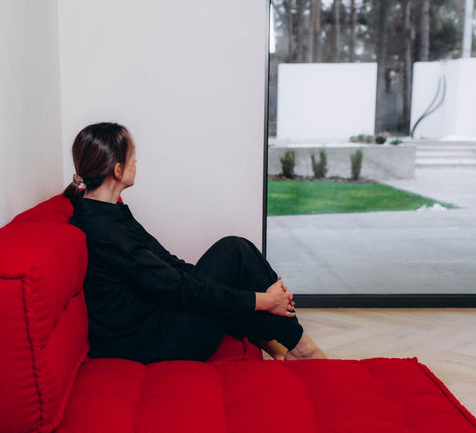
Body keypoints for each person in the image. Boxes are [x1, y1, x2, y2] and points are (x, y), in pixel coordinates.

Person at [64, 122, 326, 364]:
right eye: (132, 157)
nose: (136, 162)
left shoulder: (109, 213)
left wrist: (253, 294)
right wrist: (263, 301)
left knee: (235, 256)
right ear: (118, 170)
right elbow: (173, 286)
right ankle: (301, 347)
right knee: (234, 251)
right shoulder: (102, 230)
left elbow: (168, 263)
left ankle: (290, 345)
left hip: (156, 320)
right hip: (150, 343)